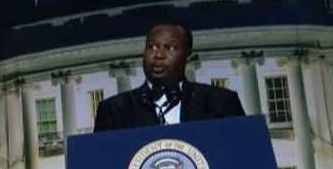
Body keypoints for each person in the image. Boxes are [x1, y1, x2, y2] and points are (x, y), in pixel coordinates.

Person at [93, 23, 246, 132]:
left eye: (170, 48)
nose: (158, 55)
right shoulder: (114, 110)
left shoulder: (221, 102)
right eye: (152, 47)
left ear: (187, 56)